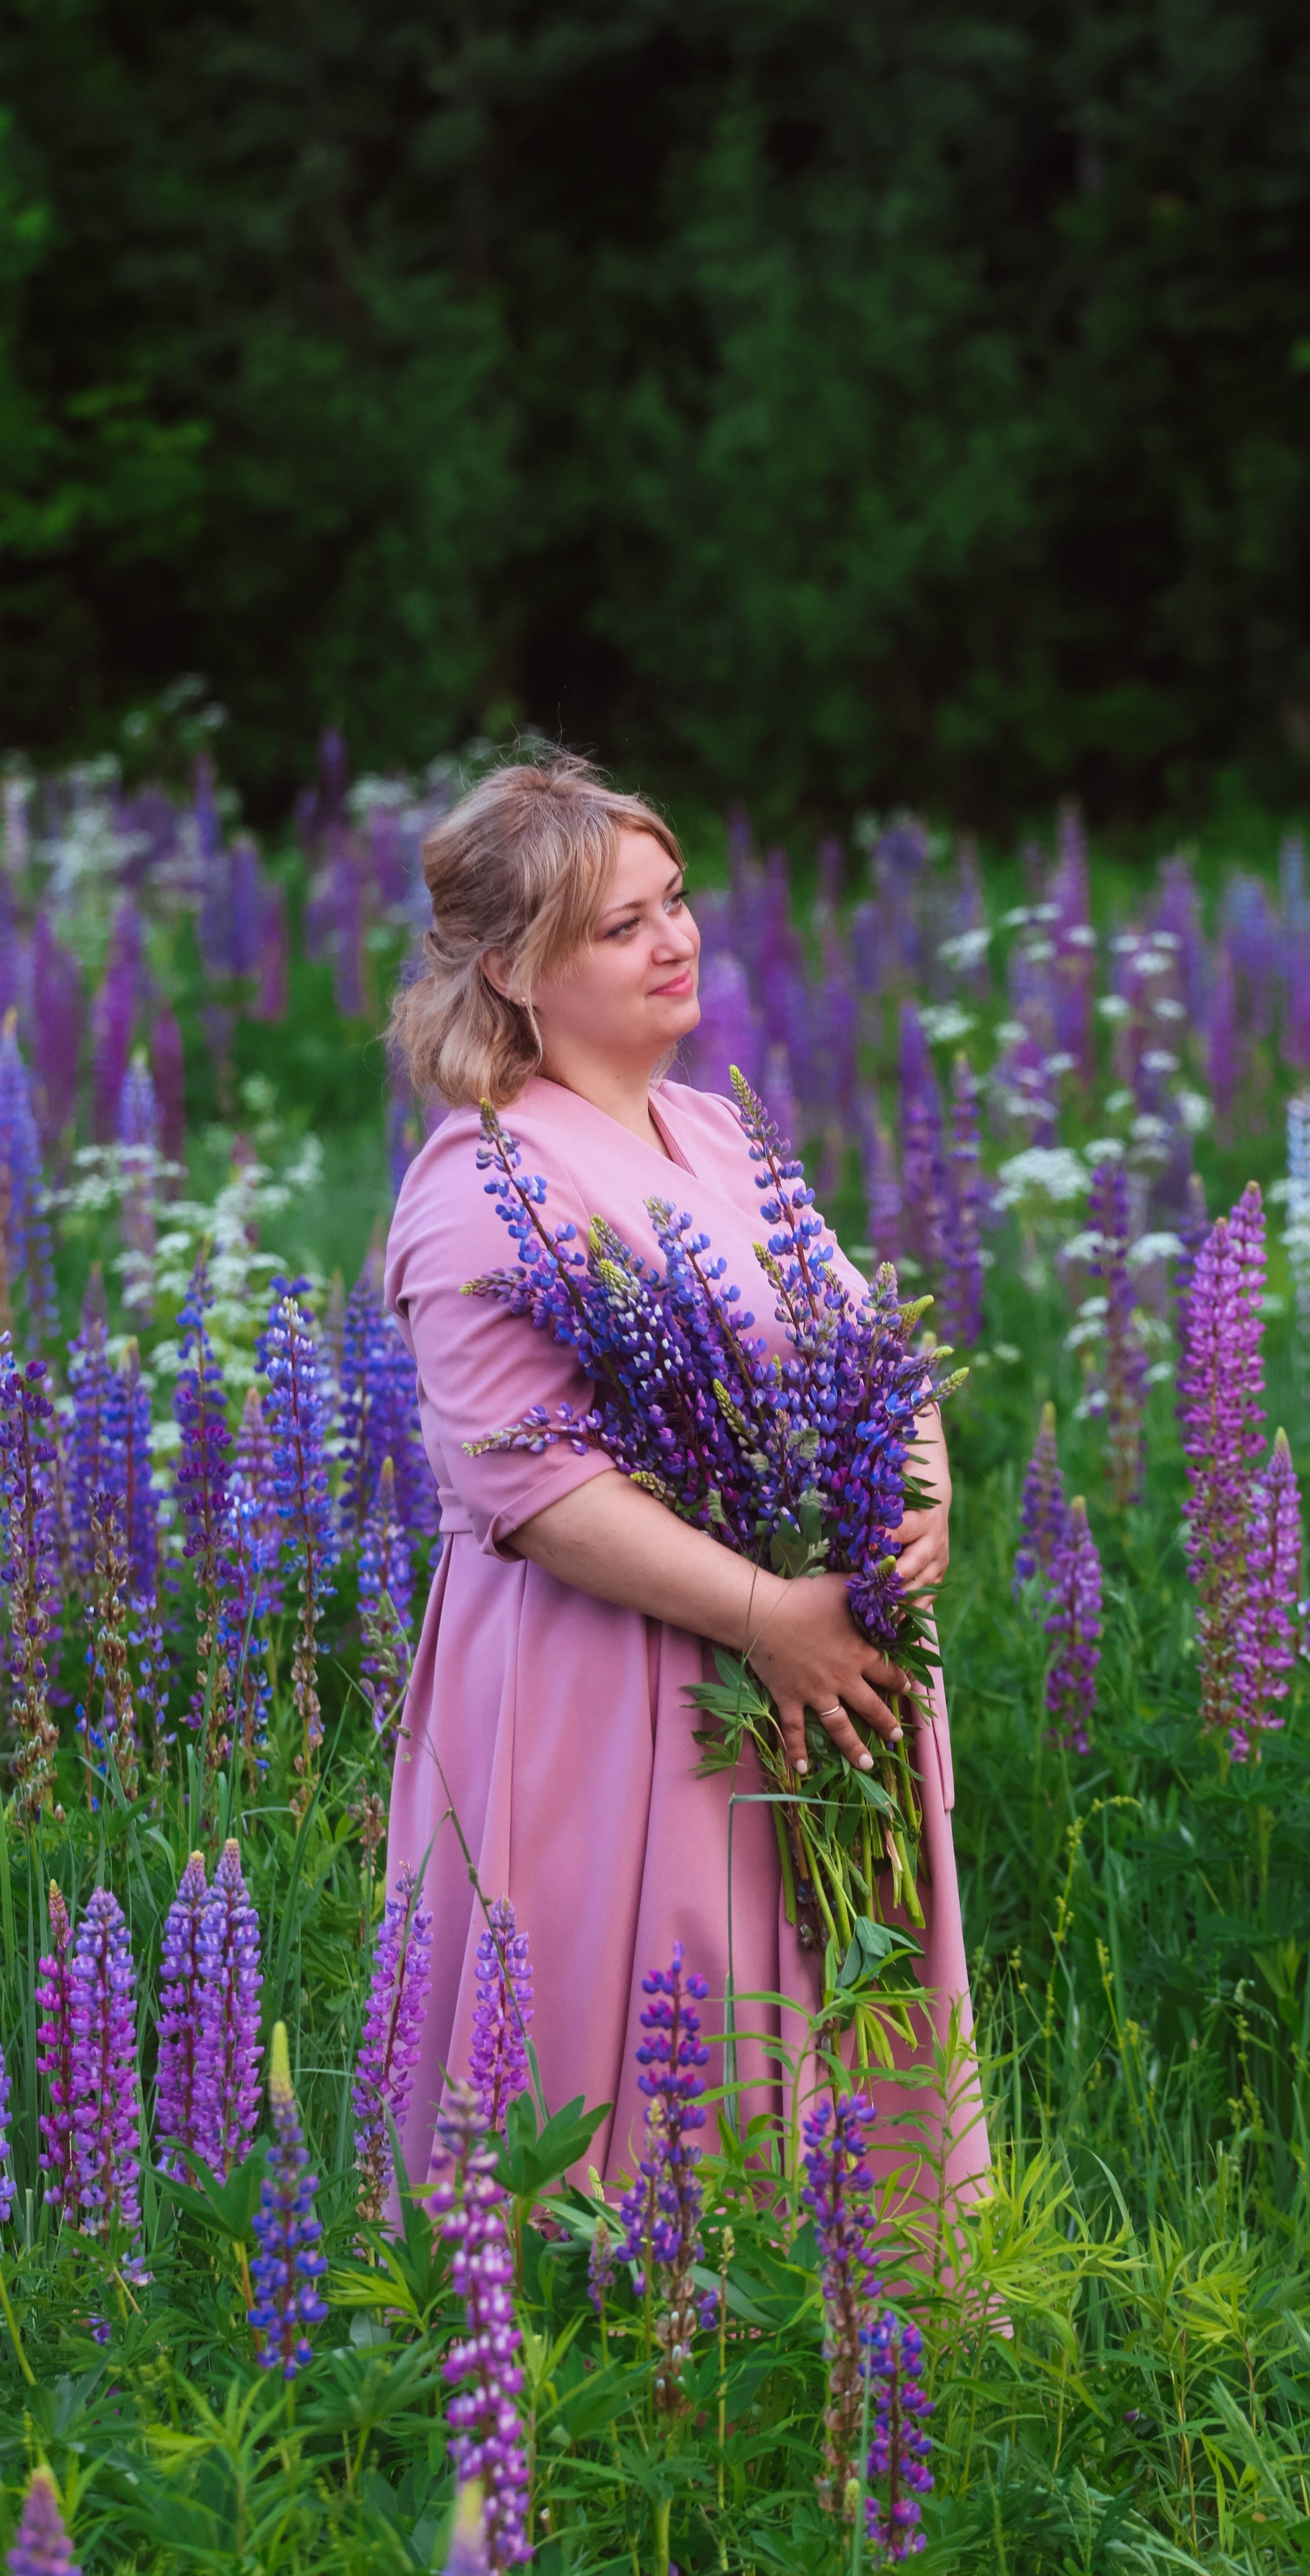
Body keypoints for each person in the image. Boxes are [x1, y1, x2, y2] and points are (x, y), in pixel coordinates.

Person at [383, 753, 989, 2204]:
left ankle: (857, 2331)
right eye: (620, 925)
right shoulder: (477, 1183)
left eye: (676, 901)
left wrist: (922, 1500)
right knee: (656, 2055)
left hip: (812, 1656)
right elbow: (531, 1491)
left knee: (832, 2007)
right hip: (617, 1692)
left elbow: (871, 1350)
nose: (676, 941)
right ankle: (648, 2355)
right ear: (519, 970)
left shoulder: (712, 1128)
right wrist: (768, 1614)